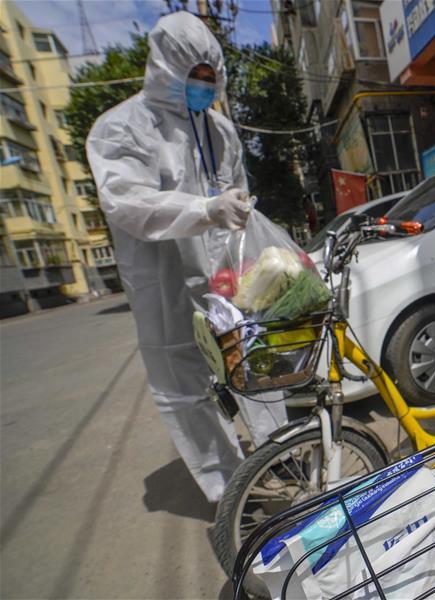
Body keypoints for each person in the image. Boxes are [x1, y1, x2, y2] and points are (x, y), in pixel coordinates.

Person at [87, 12, 286, 502]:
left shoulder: (221, 131)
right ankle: (233, 491)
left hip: (225, 274)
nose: (202, 86)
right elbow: (127, 201)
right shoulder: (121, 127)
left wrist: (240, 218)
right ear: (164, 68)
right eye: (192, 75)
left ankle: (282, 456)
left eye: (209, 77)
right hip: (164, 279)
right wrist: (203, 209)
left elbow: (236, 193)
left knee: (253, 361)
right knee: (184, 383)